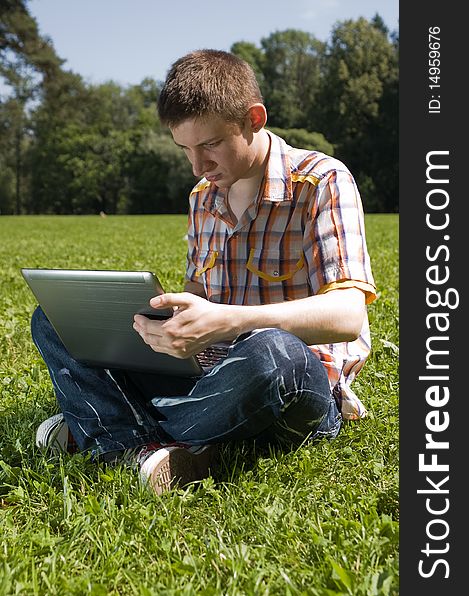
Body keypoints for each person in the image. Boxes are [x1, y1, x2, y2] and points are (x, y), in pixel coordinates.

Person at [32, 49, 376, 495]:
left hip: (297, 381)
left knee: (275, 352)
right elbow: (197, 292)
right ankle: (154, 443)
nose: (198, 167)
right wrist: (171, 323)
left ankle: (107, 426)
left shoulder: (323, 181)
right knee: (57, 320)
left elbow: (347, 316)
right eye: (186, 150)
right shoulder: (202, 196)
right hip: (209, 375)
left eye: (210, 145)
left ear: (253, 119)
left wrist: (228, 321)